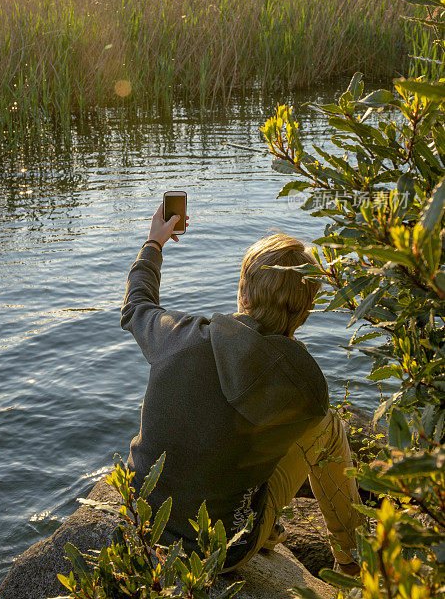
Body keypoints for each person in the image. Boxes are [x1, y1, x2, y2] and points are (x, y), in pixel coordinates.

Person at [120, 204, 363, 574]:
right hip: (223, 554)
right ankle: (351, 562)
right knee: (328, 429)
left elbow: (136, 305)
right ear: (306, 312)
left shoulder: (179, 335)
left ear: (244, 296)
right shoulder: (307, 388)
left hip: (141, 525)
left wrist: (155, 242)